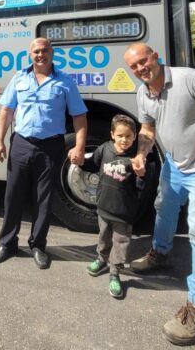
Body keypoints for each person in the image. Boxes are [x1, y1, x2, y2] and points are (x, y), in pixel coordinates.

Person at [123, 42, 195, 346]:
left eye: (143, 61)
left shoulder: (191, 79)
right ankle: (160, 254)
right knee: (164, 208)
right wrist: (141, 154)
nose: (140, 69)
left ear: (155, 57)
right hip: (175, 164)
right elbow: (148, 129)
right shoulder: (143, 92)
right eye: (133, 66)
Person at [0, 37, 88, 269]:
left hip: (50, 146)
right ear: (30, 54)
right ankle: (7, 243)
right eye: (36, 51)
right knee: (13, 195)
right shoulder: (19, 78)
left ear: (52, 53)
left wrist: (80, 147)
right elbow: (6, 110)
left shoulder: (64, 82)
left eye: (45, 50)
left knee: (43, 198)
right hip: (22, 144)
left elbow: (79, 116)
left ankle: (38, 245)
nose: (40, 55)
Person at [73, 114, 147, 299]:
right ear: (112, 134)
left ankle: (115, 272)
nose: (124, 140)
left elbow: (142, 188)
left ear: (135, 137)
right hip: (104, 208)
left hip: (124, 213)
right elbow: (91, 165)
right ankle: (101, 260)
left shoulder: (136, 158)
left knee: (120, 243)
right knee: (104, 237)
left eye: (129, 136)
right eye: (120, 135)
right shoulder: (104, 149)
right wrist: (79, 161)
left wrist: (141, 175)